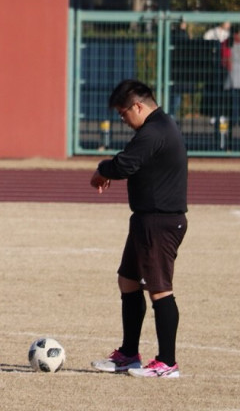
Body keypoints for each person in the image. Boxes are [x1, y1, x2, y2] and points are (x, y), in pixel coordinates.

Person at [89, 79, 188, 379]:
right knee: (128, 281)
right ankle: (129, 355)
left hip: (159, 221)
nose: (122, 119)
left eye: (123, 113)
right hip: (145, 220)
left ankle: (167, 363)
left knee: (159, 290)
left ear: (138, 106)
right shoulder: (158, 126)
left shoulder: (154, 131)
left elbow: (125, 164)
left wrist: (101, 170)